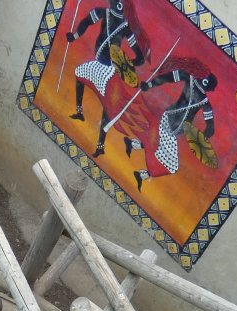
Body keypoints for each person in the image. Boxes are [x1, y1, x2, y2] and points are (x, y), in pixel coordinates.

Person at [66, 0, 146, 157]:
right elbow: (87, 22)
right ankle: (80, 112)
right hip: (97, 63)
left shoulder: (126, 28)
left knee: (108, 107)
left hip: (110, 70)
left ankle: (101, 145)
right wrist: (74, 36)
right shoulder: (104, 13)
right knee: (79, 73)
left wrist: (125, 63)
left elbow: (140, 57)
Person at [121, 66, 218, 190]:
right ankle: (142, 173)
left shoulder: (195, 88)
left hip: (173, 125)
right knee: (172, 166)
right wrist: (200, 138)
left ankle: (133, 145)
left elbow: (210, 128)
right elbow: (211, 129)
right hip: (170, 123)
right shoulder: (202, 98)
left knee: (160, 145)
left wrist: (150, 85)